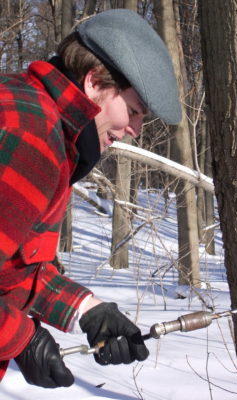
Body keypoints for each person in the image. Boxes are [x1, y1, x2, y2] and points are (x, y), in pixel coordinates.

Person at [0, 8, 181, 388]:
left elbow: (12, 267)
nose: (135, 129)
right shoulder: (32, 138)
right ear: (95, 82)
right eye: (133, 111)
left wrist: (88, 310)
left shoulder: (29, 108)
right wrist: (20, 338)